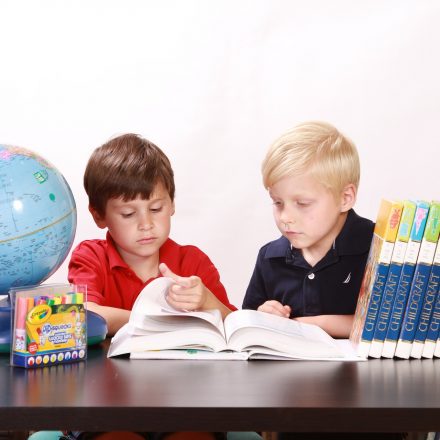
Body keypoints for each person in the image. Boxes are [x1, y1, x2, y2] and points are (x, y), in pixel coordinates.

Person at [28, 133, 242, 440]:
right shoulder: (91, 257)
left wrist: (207, 301)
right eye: (129, 213)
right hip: (105, 407)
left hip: (184, 404)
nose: (146, 224)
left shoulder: (192, 262)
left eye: (156, 209)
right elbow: (86, 314)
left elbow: (234, 328)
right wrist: (157, 320)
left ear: (172, 205)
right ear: (99, 215)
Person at [242, 121, 404, 440]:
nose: (286, 216)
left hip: (370, 413)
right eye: (277, 203)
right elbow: (245, 329)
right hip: (294, 411)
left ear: (345, 198)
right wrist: (263, 317)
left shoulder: (381, 247)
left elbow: (392, 327)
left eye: (302, 204)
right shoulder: (270, 257)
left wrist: (313, 323)